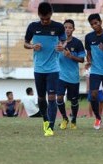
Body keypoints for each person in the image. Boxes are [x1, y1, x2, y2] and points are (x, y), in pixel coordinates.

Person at [24, 2, 66, 137]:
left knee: (52, 97)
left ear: (51, 15)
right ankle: (45, 121)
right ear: (39, 15)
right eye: (42, 19)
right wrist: (32, 46)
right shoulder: (32, 27)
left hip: (53, 68)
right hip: (39, 69)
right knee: (41, 98)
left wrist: (62, 46)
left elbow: (64, 41)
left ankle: (50, 126)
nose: (45, 21)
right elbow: (25, 43)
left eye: (47, 19)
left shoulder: (58, 27)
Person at [57, 19, 85, 130]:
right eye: (65, 27)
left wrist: (70, 56)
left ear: (73, 29)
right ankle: (64, 118)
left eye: (70, 27)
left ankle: (73, 119)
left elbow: (82, 59)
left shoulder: (77, 43)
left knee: (74, 100)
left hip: (73, 76)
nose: (67, 29)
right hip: (60, 76)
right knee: (59, 98)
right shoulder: (57, 42)